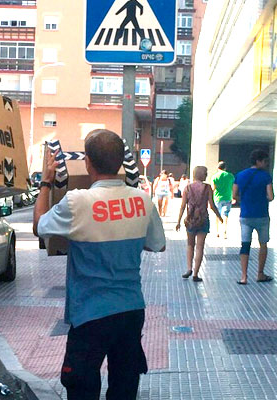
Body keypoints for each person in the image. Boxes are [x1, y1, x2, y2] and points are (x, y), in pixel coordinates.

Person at [33, 129, 166, 400]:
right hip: (130, 311)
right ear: (119, 163)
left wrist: (46, 183)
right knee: (124, 389)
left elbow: (39, 226)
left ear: (88, 162)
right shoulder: (142, 200)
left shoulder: (77, 202)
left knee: (82, 388)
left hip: (90, 315)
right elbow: (158, 244)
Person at [233, 149, 274, 285]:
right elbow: (271, 196)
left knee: (245, 244)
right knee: (263, 244)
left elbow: (234, 195)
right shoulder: (266, 176)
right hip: (262, 215)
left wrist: (245, 200)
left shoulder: (239, 175)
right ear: (259, 161)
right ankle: (260, 274)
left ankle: (244, 276)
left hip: (245, 215)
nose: (266, 163)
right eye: (265, 161)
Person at [176, 166, 222, 282]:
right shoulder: (207, 188)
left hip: (190, 220)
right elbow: (212, 205)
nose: (206, 175)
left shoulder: (187, 188)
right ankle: (196, 273)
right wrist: (219, 216)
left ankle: (189, 268)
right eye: (205, 173)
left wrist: (178, 221)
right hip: (203, 220)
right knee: (200, 246)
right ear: (202, 175)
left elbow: (182, 206)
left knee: (190, 245)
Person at [211, 161, 235, 239]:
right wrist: (233, 196)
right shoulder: (230, 176)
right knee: (225, 215)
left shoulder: (214, 176)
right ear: (225, 168)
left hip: (217, 198)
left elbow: (213, 189)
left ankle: (217, 231)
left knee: (217, 214)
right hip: (228, 197)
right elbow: (233, 186)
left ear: (218, 168)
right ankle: (224, 231)